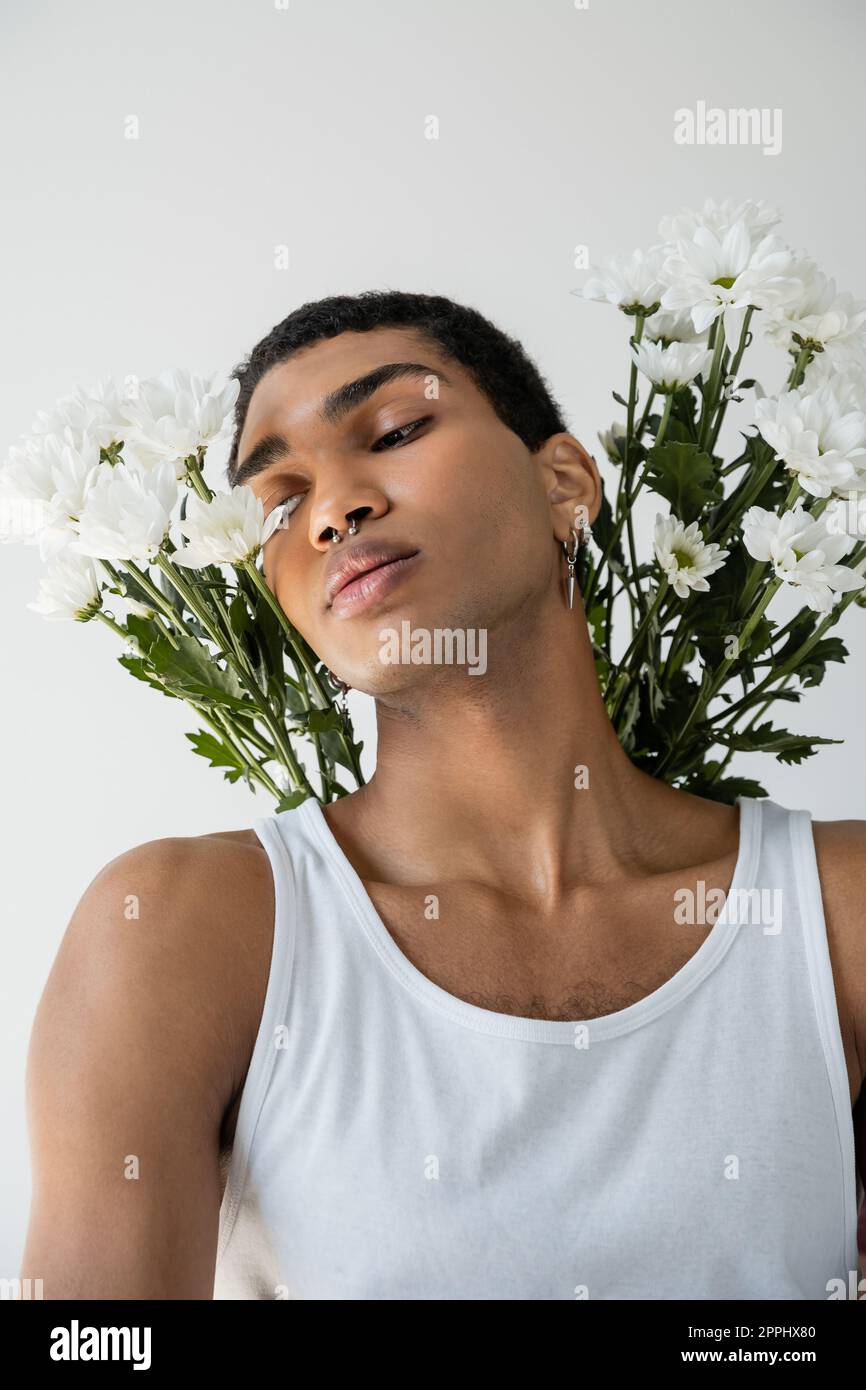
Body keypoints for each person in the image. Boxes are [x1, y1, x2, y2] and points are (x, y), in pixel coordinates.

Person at [21, 292, 866, 1300]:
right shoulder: (182, 929)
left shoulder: (834, 911)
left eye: (393, 431)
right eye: (283, 502)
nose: (333, 508)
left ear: (564, 484)